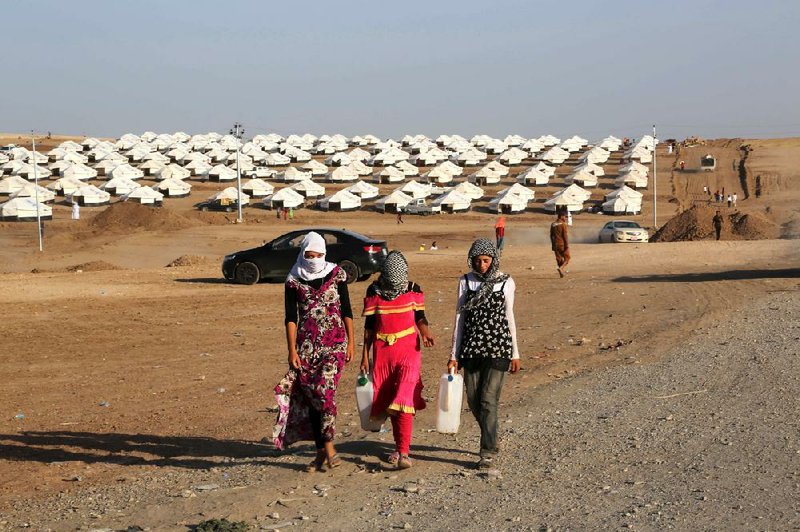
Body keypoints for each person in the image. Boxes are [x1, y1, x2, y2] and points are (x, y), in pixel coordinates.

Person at [273, 232, 355, 471]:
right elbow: (290, 318)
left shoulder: (337, 274)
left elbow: (347, 310)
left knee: (325, 394)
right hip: (307, 349)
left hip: (335, 344)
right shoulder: (293, 280)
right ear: (303, 254)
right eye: (309, 255)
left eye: (319, 255)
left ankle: (329, 447)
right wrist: (292, 351)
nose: (314, 259)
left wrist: (351, 342)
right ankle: (320, 453)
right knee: (312, 401)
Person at [448, 239, 520, 470]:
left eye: (486, 260)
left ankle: (486, 452)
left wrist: (516, 353)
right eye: (477, 261)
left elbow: (509, 317)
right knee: (473, 400)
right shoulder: (465, 281)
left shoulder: (506, 282)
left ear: (494, 260)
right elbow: (460, 319)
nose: (482, 265)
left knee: (488, 399)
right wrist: (453, 354)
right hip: (471, 349)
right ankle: (492, 433)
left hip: (499, 347)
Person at [361, 251, 434, 470]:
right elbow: (369, 327)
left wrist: (425, 332)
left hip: (409, 350)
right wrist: (364, 356)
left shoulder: (413, 289)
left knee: (404, 398)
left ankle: (404, 452)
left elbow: (419, 316)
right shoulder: (373, 290)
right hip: (383, 353)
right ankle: (399, 446)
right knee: (391, 399)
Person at [549, 210, 570, 278]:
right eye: (565, 217)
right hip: (562, 244)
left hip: (555, 244)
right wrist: (567, 245)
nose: (566, 218)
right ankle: (561, 268)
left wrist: (553, 245)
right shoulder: (563, 224)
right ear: (561, 216)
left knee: (559, 259)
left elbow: (551, 235)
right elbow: (565, 236)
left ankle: (561, 272)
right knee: (567, 258)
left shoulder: (553, 224)